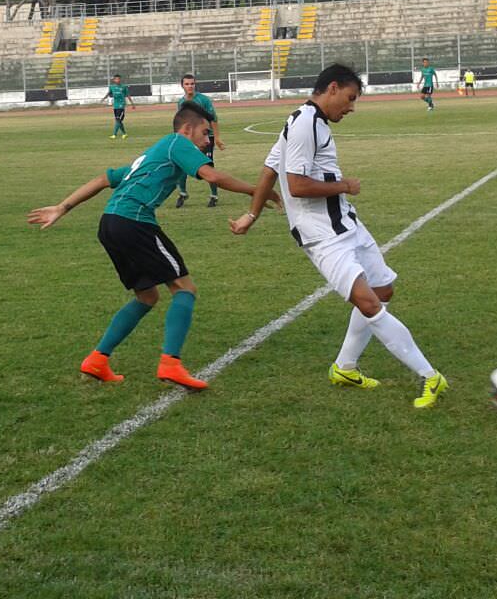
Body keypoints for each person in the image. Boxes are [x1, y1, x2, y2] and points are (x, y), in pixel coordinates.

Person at [228, 64, 448, 409]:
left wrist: (252, 214)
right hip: (322, 234)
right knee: (369, 303)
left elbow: (269, 169)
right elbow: (297, 186)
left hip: (345, 222)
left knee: (383, 289)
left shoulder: (307, 120)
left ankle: (345, 367)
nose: (351, 107)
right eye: (349, 98)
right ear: (332, 88)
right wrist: (345, 185)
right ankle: (429, 375)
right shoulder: (304, 123)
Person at [28, 102, 274, 390]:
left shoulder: (148, 156)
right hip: (134, 221)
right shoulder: (176, 143)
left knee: (147, 297)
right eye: (205, 133)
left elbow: (102, 179)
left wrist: (62, 207)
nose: (208, 140)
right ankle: (171, 363)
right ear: (186, 129)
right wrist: (258, 190)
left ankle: (97, 360)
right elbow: (213, 176)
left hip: (110, 223)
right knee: (184, 289)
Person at [173, 74, 225, 208]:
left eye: (192, 83)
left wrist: (217, 138)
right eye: (187, 84)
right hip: (189, 139)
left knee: (207, 166)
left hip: (206, 137)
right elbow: (182, 121)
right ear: (182, 86)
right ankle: (183, 193)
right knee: (182, 165)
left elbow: (213, 118)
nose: (190, 86)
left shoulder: (203, 100)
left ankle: (214, 195)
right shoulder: (181, 102)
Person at [102, 74, 135, 139]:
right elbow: (109, 93)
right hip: (115, 106)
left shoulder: (124, 87)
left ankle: (114, 134)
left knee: (118, 119)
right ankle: (124, 134)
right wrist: (103, 98)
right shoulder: (112, 87)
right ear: (114, 80)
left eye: (119, 79)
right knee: (118, 120)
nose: (118, 80)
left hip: (121, 105)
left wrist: (132, 104)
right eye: (116, 79)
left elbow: (128, 95)